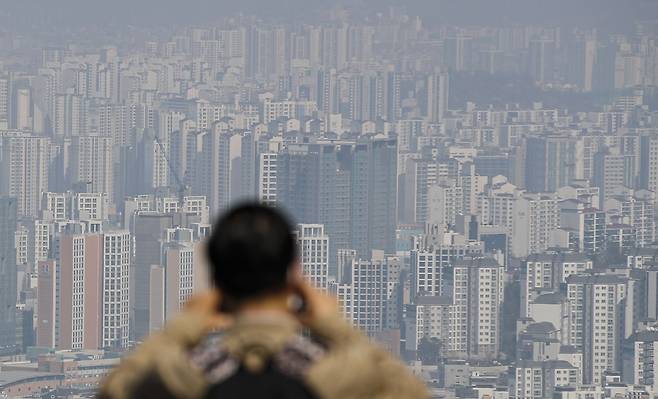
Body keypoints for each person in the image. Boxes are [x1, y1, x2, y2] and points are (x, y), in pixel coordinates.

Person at [99, 204, 428, 399]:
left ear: (216, 281)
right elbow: (409, 391)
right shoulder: (331, 375)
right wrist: (337, 326)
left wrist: (183, 328)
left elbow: (115, 391)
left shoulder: (188, 376)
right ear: (294, 275)